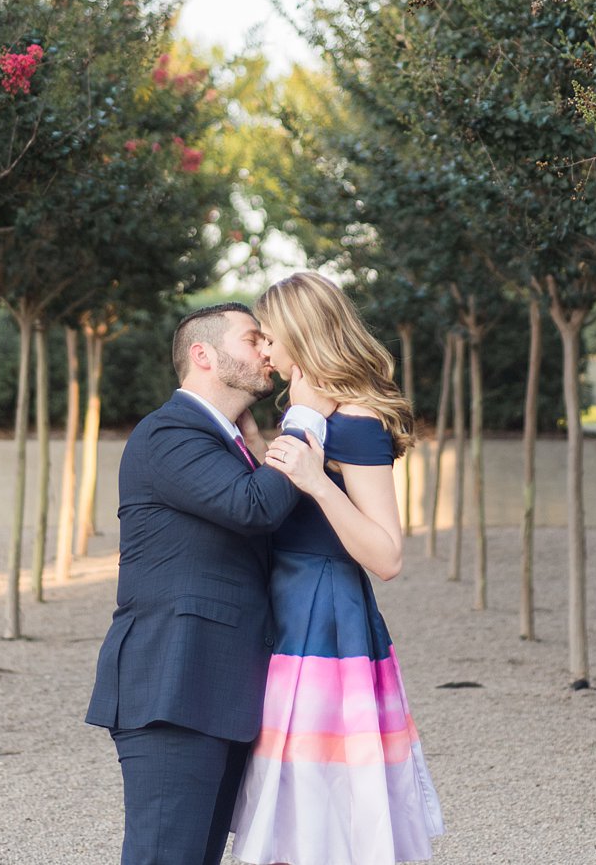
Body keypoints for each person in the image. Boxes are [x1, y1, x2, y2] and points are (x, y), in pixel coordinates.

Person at [85, 302, 313, 865]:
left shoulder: (228, 442)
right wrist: (306, 419)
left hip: (216, 690)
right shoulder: (168, 433)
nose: (266, 350)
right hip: (173, 687)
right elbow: (254, 507)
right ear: (203, 354)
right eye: (252, 339)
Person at [235, 273, 445, 865]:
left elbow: (388, 555)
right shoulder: (314, 410)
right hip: (290, 608)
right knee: (294, 794)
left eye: (270, 339)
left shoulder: (357, 419)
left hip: (325, 620)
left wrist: (316, 484)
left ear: (302, 335)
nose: (265, 352)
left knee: (321, 796)